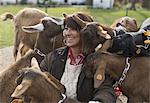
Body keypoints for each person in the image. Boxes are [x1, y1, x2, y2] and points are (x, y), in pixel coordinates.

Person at [39, 12, 117, 103]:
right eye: (66, 29)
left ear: (86, 33)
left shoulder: (98, 61)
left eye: (73, 29)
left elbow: (105, 89)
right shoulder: (53, 57)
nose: (67, 33)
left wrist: (98, 101)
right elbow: (40, 77)